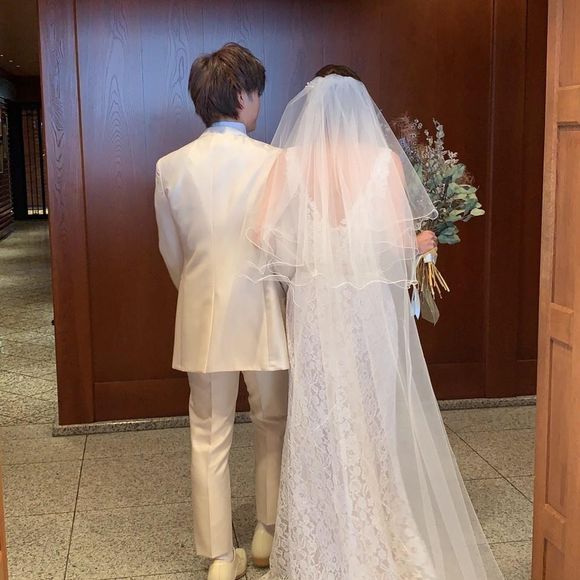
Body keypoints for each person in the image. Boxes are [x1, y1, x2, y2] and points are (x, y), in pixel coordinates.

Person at [245, 66, 504, 579]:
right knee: (371, 415)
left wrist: (313, 252)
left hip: (315, 306)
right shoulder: (384, 163)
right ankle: (378, 528)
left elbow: (260, 234)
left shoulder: (288, 162)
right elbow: (395, 243)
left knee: (319, 416)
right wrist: (420, 244)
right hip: (368, 310)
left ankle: (320, 543)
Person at [154, 43, 290, 580]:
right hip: (264, 310)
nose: (259, 101)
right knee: (272, 421)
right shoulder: (275, 161)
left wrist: (196, 290)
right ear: (241, 95)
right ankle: (266, 534)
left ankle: (217, 556)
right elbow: (287, 247)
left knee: (209, 433)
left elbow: (172, 253)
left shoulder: (170, 167)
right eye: (256, 92)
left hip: (202, 313)